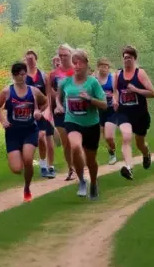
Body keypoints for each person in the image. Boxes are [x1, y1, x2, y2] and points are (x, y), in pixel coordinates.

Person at [0, 62, 49, 203]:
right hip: (12, 132)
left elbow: (45, 102)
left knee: (28, 159)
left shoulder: (33, 91)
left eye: (24, 74)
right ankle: (15, 160)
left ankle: (27, 187)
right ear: (13, 75)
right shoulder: (7, 91)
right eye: (19, 74)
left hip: (30, 130)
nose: (22, 76)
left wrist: (39, 111)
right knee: (17, 169)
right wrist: (2, 121)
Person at [58, 49, 108, 199]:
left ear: (86, 64)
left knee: (91, 160)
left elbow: (104, 104)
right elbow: (58, 97)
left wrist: (90, 100)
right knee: (74, 146)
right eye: (74, 62)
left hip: (91, 124)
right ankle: (81, 181)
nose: (77, 65)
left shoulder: (93, 83)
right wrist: (58, 105)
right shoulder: (66, 82)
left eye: (80, 62)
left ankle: (93, 182)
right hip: (72, 121)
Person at [113, 46, 154, 179]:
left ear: (134, 59)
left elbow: (152, 93)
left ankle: (146, 153)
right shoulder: (118, 74)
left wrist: (136, 90)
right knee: (126, 139)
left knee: (139, 143)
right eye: (125, 58)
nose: (127, 61)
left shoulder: (140, 73)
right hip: (124, 113)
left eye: (130, 58)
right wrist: (115, 100)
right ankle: (129, 167)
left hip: (140, 115)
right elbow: (115, 91)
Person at [24, 50, 55, 178]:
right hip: (28, 113)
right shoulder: (23, 77)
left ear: (36, 59)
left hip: (43, 110)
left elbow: (48, 95)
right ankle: (41, 164)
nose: (30, 61)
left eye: (32, 58)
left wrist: (47, 111)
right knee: (37, 138)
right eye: (28, 59)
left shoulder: (43, 76)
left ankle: (50, 166)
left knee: (47, 138)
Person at [48, 45, 77, 181]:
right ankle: (71, 168)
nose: (63, 57)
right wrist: (52, 108)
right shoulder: (53, 75)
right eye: (60, 55)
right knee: (66, 142)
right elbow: (50, 94)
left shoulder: (77, 70)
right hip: (59, 111)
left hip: (77, 110)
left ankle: (79, 164)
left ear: (71, 54)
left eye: (65, 55)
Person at [95, 57, 119, 164]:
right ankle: (108, 152)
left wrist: (115, 99)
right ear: (98, 67)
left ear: (108, 68)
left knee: (109, 136)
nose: (104, 69)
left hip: (111, 109)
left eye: (106, 67)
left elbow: (116, 92)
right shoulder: (94, 79)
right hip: (98, 110)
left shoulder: (113, 78)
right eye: (102, 66)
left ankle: (113, 153)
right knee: (99, 137)